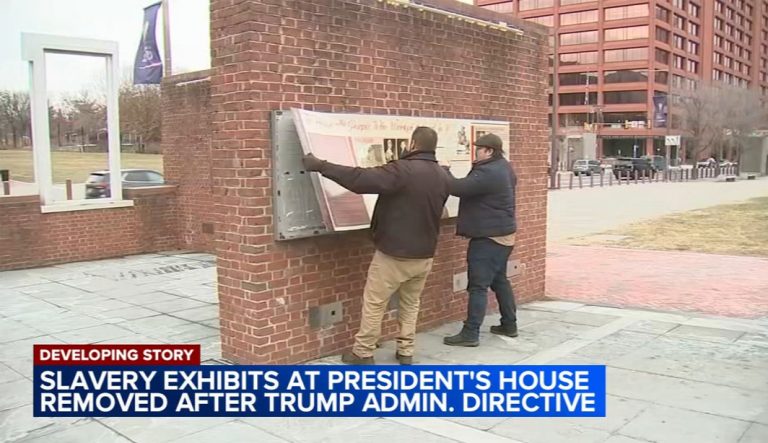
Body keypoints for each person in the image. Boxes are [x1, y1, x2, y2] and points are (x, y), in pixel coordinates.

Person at [303, 127, 450, 365]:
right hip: (424, 254)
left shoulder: (403, 170)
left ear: (413, 144)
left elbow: (360, 179)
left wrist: (321, 165)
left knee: (375, 303)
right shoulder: (442, 175)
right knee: (411, 304)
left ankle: (363, 352)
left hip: (394, 254)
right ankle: (406, 351)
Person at [443, 133, 518, 347]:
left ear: (488, 151)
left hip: (489, 238)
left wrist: (444, 169)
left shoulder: (489, 172)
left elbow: (457, 188)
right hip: (503, 234)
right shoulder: (504, 167)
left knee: (478, 286)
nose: (475, 152)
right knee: (499, 280)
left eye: (478, 149)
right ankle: (509, 324)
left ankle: (470, 333)